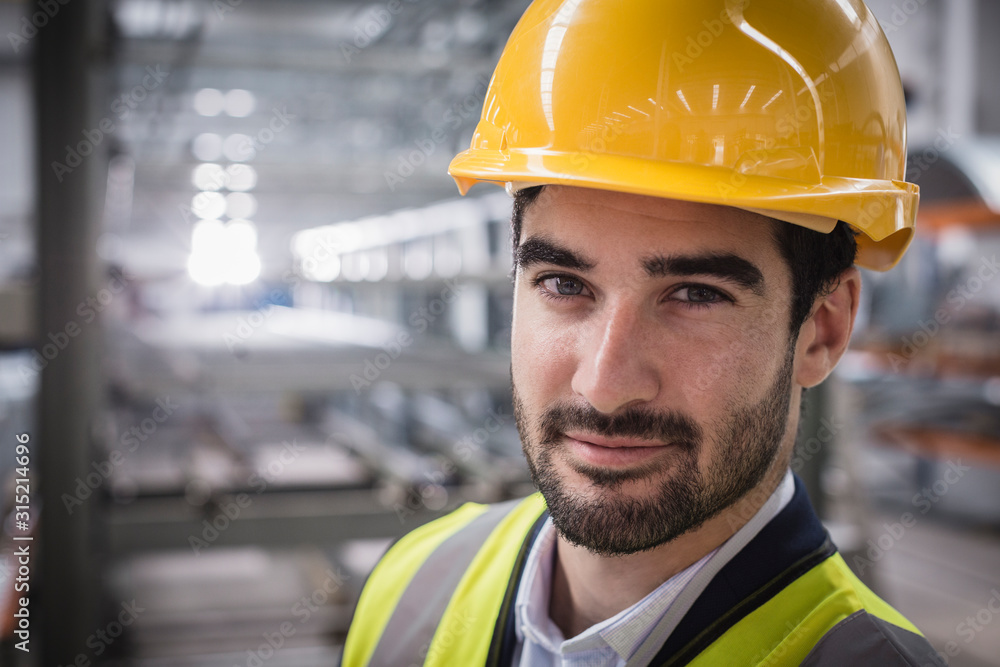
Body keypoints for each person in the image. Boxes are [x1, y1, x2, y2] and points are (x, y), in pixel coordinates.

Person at [342, 0, 943, 664]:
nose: (604, 384)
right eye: (564, 284)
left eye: (694, 295)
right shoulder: (413, 585)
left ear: (822, 330)